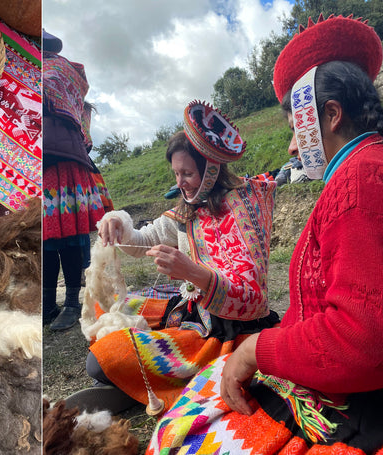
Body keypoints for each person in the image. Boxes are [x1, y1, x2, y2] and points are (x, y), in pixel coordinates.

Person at [149, 15, 383, 453]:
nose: (293, 146)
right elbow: (151, 232)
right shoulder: (359, 173)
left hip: (345, 393)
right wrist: (118, 225)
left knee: (176, 435)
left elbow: (363, 335)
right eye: (176, 174)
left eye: (298, 127)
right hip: (284, 351)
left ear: (332, 115)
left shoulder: (360, 180)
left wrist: (255, 347)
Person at [65, 100, 279, 415]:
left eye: (187, 173)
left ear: (211, 170)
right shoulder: (189, 207)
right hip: (191, 312)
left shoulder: (242, 209)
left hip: (225, 333)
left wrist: (194, 273)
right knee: (103, 304)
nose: (179, 183)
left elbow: (253, 299)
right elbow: (145, 240)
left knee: (99, 361)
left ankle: (147, 385)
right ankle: (141, 382)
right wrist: (117, 223)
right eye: (176, 173)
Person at [42, 29, 115, 331]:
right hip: (44, 161)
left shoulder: (59, 69)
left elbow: (48, 91)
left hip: (63, 159)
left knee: (68, 236)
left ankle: (73, 301)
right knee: (45, 237)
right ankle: (47, 303)